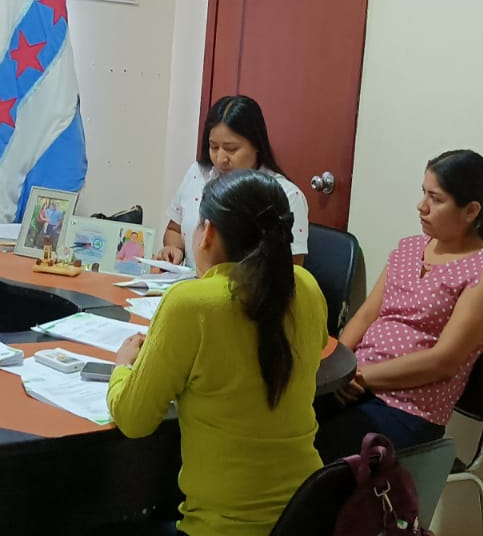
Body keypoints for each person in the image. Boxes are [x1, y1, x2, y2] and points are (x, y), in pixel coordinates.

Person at [108, 169, 327, 536]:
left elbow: (133, 419)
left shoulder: (191, 304)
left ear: (207, 233)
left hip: (220, 528)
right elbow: (313, 346)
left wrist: (122, 368)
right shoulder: (305, 285)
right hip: (305, 517)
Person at [314, 149, 483, 461]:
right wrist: (336, 370)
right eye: (424, 193)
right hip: (352, 384)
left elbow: (443, 361)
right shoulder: (410, 248)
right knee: (279, 422)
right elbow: (367, 315)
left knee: (311, 455)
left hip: (407, 409)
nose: (422, 206)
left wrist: (362, 377)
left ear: (471, 210)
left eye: (436, 198)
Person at [155, 95, 308, 267]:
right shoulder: (197, 173)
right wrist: (174, 249)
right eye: (214, 147)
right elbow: (174, 229)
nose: (221, 159)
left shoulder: (286, 195)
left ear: (257, 144)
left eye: (231, 149)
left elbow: (291, 270)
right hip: (190, 282)